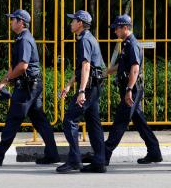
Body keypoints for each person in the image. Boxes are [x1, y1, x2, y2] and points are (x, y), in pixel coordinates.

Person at [0, 9, 60, 166]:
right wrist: (4, 82)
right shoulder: (22, 38)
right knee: (40, 121)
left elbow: (22, 66)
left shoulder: (24, 40)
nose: (11, 22)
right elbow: (15, 66)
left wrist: (8, 78)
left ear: (21, 22)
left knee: (13, 119)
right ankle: (52, 154)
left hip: (27, 87)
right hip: (32, 85)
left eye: (13, 19)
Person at [104, 13, 162, 165]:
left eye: (117, 28)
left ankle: (104, 154)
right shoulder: (127, 44)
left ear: (125, 27)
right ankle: (154, 152)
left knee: (120, 121)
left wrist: (129, 89)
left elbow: (135, 68)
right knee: (139, 122)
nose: (115, 31)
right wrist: (106, 72)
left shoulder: (133, 44)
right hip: (131, 88)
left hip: (133, 89)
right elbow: (123, 66)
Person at [56, 10, 106, 173]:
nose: (70, 23)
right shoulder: (89, 38)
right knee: (93, 123)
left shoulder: (84, 40)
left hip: (89, 87)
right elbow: (81, 69)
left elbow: (86, 67)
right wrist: (70, 84)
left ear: (80, 23)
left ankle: (74, 160)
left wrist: (82, 91)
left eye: (73, 21)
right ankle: (99, 161)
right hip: (95, 86)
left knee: (69, 120)